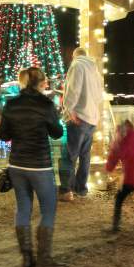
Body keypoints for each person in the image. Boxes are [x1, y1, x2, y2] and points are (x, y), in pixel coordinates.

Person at [0, 67, 67, 267]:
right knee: (48, 209)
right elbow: (56, 133)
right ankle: (44, 258)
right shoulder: (46, 104)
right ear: (42, 83)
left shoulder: (11, 104)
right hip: (39, 165)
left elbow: (4, 135)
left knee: (23, 208)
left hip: (17, 164)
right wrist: (58, 121)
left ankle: (27, 257)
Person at [58, 47, 104, 201]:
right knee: (85, 156)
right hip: (91, 118)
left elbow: (73, 90)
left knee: (69, 155)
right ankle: (81, 189)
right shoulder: (95, 69)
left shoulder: (77, 65)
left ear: (74, 56)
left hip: (78, 117)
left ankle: (66, 190)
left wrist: (69, 110)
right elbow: (99, 95)